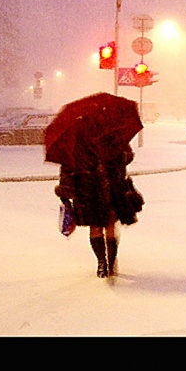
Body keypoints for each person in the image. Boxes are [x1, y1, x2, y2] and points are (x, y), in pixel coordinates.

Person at [54, 118, 144, 279]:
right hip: (111, 188)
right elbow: (128, 157)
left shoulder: (75, 139)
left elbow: (67, 167)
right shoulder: (113, 135)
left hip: (87, 191)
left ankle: (101, 263)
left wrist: (65, 192)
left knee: (95, 227)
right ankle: (110, 261)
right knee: (110, 226)